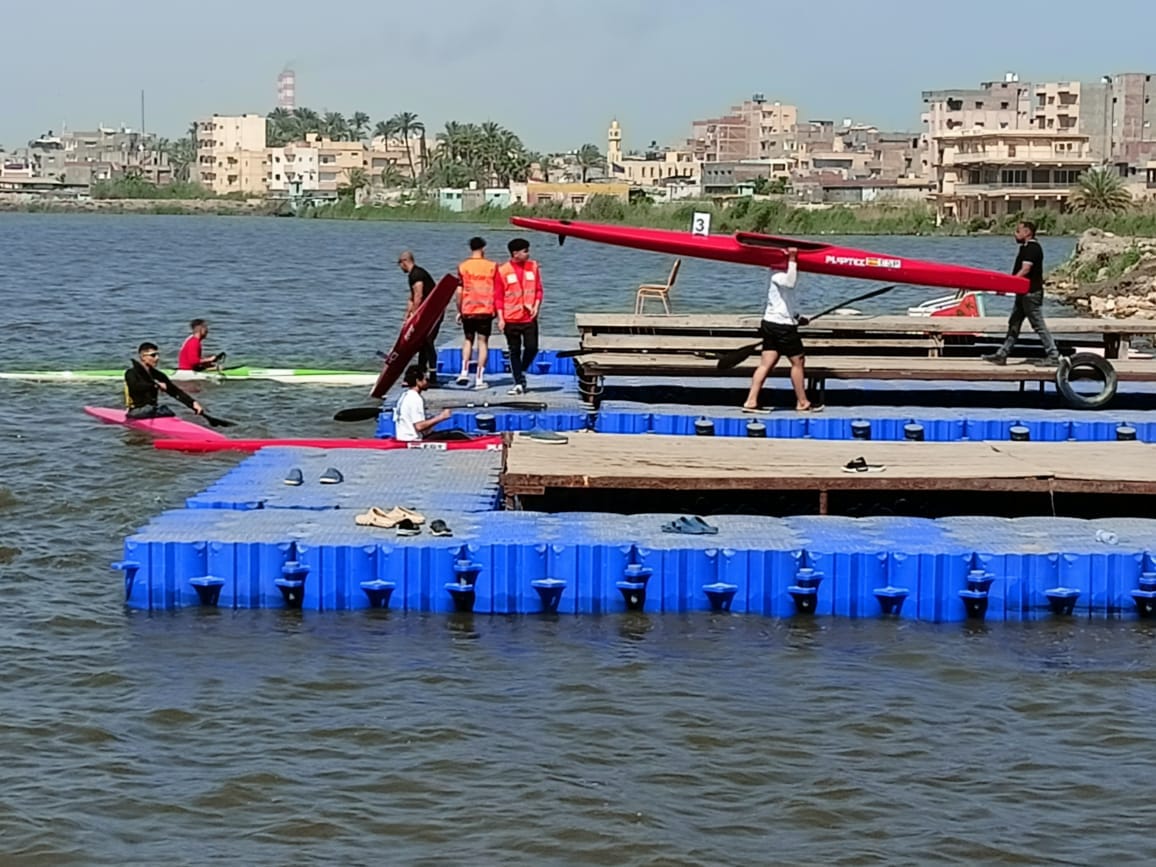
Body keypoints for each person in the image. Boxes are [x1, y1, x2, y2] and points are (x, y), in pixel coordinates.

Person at [741, 247, 822, 414]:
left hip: (772, 322)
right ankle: (802, 402)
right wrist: (793, 258)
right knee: (798, 362)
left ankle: (751, 401)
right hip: (782, 326)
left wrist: (798, 317)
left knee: (767, 363)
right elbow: (790, 283)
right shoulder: (778, 274)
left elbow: (785, 301)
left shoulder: (779, 274)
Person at [982, 220, 1060, 366]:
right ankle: (1002, 354)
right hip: (1022, 292)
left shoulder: (1032, 248)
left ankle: (1053, 355)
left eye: (1018, 231)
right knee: (1014, 323)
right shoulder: (1025, 247)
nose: (1015, 234)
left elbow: (1025, 269)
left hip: (1031, 293)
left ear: (1027, 232)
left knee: (1038, 325)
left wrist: (1008, 284)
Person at [495, 237, 542, 395]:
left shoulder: (533, 267)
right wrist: (501, 318)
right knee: (514, 350)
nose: (528, 254)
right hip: (511, 317)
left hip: (529, 317)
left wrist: (536, 306)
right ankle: (518, 382)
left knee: (532, 348)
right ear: (515, 253)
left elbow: (538, 290)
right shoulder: (503, 270)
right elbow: (498, 296)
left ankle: (521, 370)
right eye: (525, 251)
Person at [455, 236, 498, 389]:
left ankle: (464, 372)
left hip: (468, 308)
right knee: (483, 342)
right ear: (483, 249)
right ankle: (479, 379)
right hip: (485, 309)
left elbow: (459, 292)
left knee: (468, 340)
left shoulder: (463, 267)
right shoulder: (492, 266)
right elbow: (497, 290)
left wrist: (459, 310)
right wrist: (497, 310)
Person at [124, 342, 205, 419]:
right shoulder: (131, 373)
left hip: (151, 410)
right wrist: (156, 385)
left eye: (157, 355)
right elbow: (135, 387)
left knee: (167, 411)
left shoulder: (157, 375)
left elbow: (174, 391)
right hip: (136, 411)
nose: (157, 358)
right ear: (143, 357)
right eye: (153, 355)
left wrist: (193, 403)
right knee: (166, 411)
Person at [398, 250, 441, 385]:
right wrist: (407, 316)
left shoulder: (417, 274)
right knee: (422, 343)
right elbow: (412, 298)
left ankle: (433, 377)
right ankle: (421, 374)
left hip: (434, 312)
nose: (400, 267)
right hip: (426, 313)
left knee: (428, 342)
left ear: (404, 262)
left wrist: (414, 315)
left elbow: (419, 295)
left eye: (399, 263)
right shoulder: (412, 275)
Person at [392, 364, 453, 442]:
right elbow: (419, 426)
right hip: (413, 440)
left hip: (403, 437)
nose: (427, 382)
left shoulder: (404, 395)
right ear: (418, 381)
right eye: (425, 379)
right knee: (458, 433)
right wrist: (442, 417)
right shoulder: (415, 398)